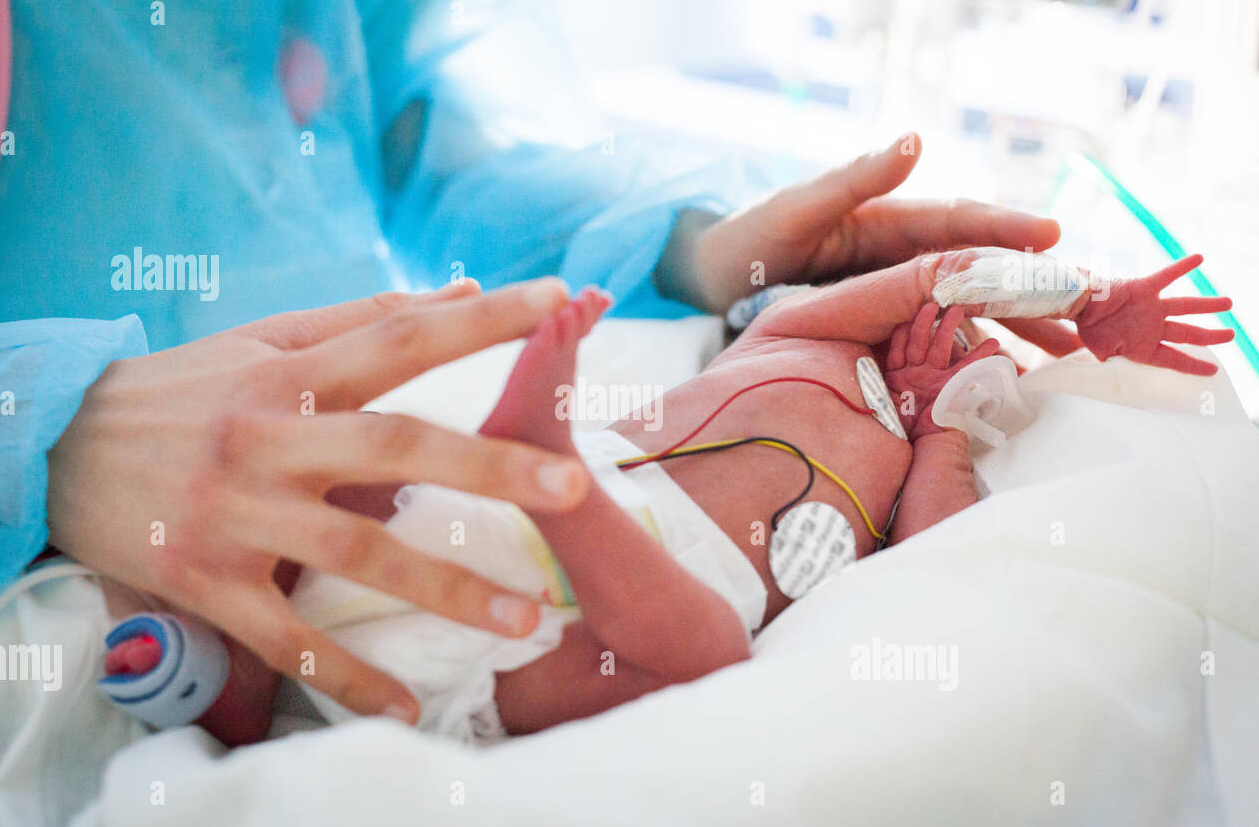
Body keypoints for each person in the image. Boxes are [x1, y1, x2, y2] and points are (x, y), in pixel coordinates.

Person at [0, 0, 1062, 722]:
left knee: (404, 657)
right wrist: (37, 427)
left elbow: (429, 119)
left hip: (375, 434)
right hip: (35, 545)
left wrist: (699, 252)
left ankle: (208, 682)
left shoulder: (899, 418)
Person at [95, 249, 1233, 743]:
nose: (946, 339)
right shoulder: (794, 334)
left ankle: (199, 685)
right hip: (505, 506)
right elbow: (945, 273)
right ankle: (227, 668)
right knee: (332, 490)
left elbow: (926, 566)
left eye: (962, 354)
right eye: (928, 330)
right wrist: (1073, 293)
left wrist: (942, 430)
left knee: (695, 653)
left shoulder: (918, 455)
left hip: (630, 600)